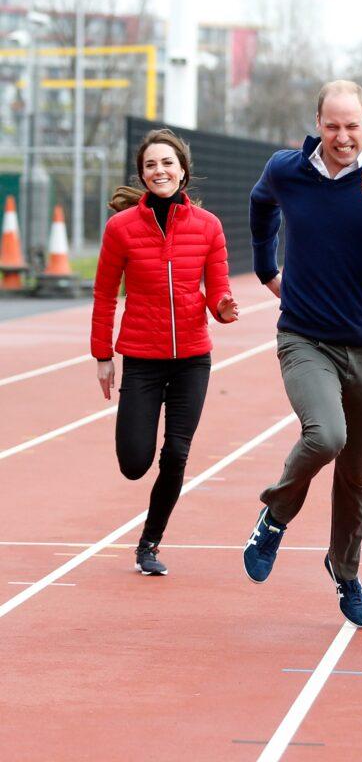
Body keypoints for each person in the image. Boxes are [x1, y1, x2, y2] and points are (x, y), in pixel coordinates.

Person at [243, 80, 362, 628]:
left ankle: (344, 570)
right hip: (305, 336)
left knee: (357, 467)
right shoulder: (289, 169)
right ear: (318, 124)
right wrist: (265, 267)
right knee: (326, 435)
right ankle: (274, 517)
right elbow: (261, 206)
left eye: (352, 126)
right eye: (333, 126)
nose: (343, 136)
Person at [91, 128, 239, 576]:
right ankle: (144, 505)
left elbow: (218, 290)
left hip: (193, 357)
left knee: (176, 453)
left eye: (167, 163)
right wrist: (103, 356)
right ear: (142, 174)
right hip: (141, 357)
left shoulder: (208, 226)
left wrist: (224, 308)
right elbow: (102, 296)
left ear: (183, 171)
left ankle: (149, 542)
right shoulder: (121, 229)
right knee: (135, 463)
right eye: (151, 164)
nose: (160, 170)